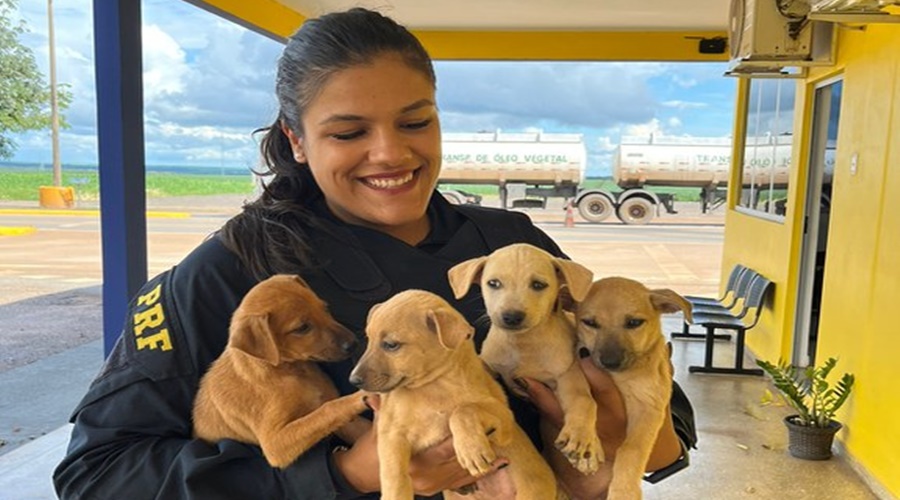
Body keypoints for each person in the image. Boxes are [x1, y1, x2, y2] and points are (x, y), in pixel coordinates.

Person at [54, 8, 695, 499]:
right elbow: (98, 471)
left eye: (416, 122)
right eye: (349, 132)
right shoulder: (229, 274)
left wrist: (631, 429)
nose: (391, 153)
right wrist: (344, 472)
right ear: (297, 140)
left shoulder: (509, 245)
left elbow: (662, 423)